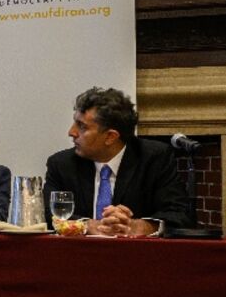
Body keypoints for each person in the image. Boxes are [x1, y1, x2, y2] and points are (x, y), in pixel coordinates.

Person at [43, 87, 192, 236]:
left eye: (82, 126)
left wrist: (140, 226)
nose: (71, 132)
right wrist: (88, 225)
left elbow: (180, 214)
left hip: (136, 255)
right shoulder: (62, 164)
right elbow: (48, 214)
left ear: (110, 137)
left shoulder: (154, 158)